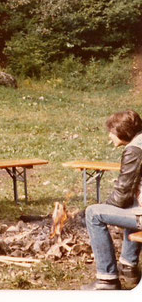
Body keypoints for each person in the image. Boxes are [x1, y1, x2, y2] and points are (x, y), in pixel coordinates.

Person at [82, 110, 142, 290]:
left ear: (122, 131)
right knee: (131, 205)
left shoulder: (134, 150)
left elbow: (122, 194)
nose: (110, 137)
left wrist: (105, 207)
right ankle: (128, 265)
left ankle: (106, 279)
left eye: (112, 132)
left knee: (93, 213)